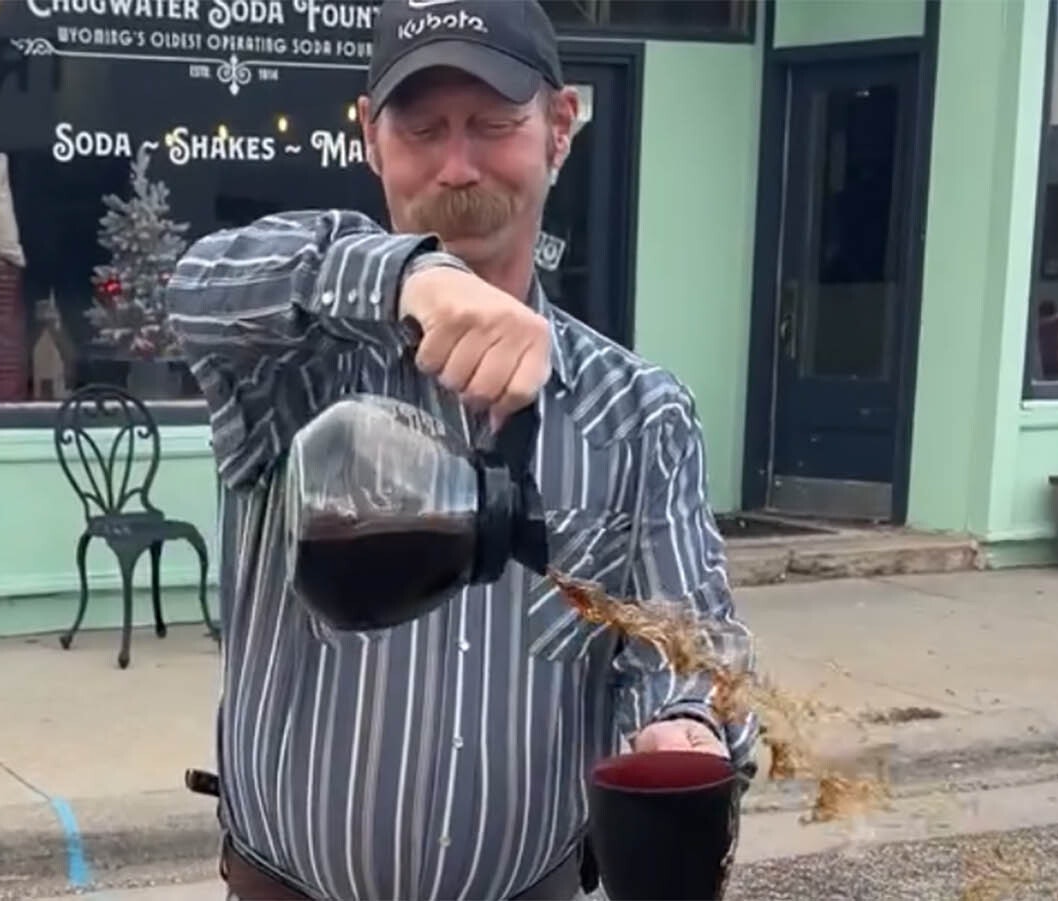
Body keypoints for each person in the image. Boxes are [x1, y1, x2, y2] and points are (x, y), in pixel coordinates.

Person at [165, 2, 760, 898]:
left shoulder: (639, 415)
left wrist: (686, 723)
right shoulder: (291, 373)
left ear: (560, 127)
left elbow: (688, 643)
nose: (458, 165)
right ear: (370, 135)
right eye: (423, 127)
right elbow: (197, 285)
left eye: (493, 124)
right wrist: (410, 274)